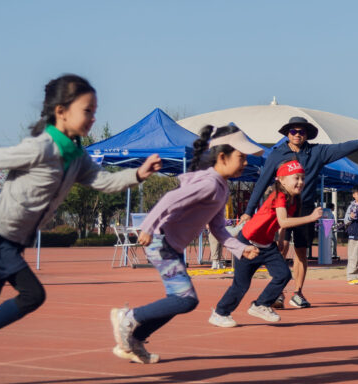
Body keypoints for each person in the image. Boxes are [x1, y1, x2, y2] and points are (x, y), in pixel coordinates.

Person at [0, 75, 163, 381]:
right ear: (61, 111)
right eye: (87, 110)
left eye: (95, 111)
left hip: (13, 239)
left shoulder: (76, 155)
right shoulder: (40, 148)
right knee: (32, 295)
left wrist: (138, 174)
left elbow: (102, 182)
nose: (93, 118)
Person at [110, 125, 262, 363]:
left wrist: (241, 248)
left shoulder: (221, 188)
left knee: (178, 300)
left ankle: (133, 340)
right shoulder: (210, 183)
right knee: (185, 300)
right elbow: (170, 199)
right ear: (222, 157)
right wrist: (148, 227)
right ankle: (128, 317)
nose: (245, 163)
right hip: (160, 242)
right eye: (241, 157)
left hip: (171, 246)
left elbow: (218, 228)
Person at [240, 116, 358, 309]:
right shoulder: (276, 154)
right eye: (293, 131)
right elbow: (262, 182)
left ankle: (298, 293)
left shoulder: (316, 152)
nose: (297, 134)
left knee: (301, 250)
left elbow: (341, 148)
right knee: (281, 246)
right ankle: (277, 292)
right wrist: (248, 211)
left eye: (302, 131)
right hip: (282, 207)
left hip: (305, 208)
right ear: (287, 134)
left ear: (307, 134)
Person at [211, 160, 323, 327]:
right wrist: (311, 217)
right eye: (296, 178)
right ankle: (220, 313)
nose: (300, 182)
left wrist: (280, 239)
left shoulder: (294, 199)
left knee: (283, 275)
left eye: (302, 178)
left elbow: (281, 223)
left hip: (267, 244)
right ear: (282, 180)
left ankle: (260, 305)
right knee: (241, 284)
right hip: (247, 243)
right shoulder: (280, 195)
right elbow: (284, 221)